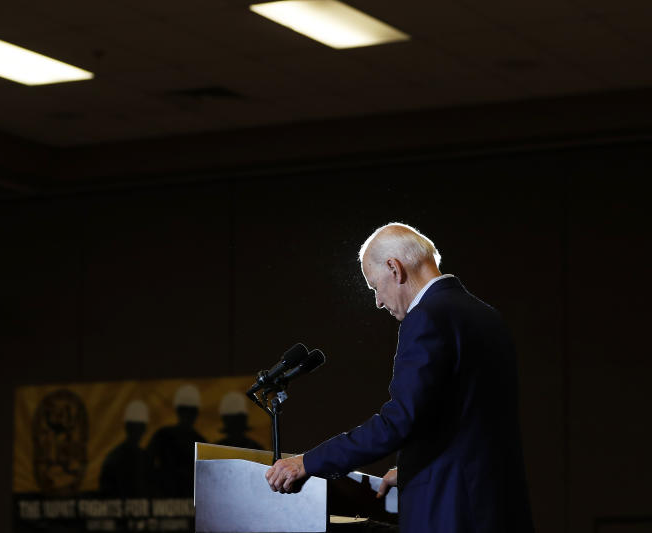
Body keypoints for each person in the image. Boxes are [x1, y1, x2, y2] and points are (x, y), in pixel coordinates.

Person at [265, 223, 534, 533]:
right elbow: (465, 421)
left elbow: (399, 421)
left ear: (394, 268)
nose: (378, 301)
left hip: (451, 512)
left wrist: (307, 462)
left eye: (374, 286)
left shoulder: (427, 317)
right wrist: (412, 468)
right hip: (499, 507)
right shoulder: (487, 316)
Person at [146, 384, 206, 497]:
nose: (188, 415)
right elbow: (146, 467)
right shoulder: (162, 435)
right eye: (185, 411)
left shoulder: (162, 435)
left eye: (190, 411)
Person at [99, 400, 150, 497]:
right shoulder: (145, 458)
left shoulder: (113, 456)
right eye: (135, 427)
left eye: (138, 427)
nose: (136, 431)